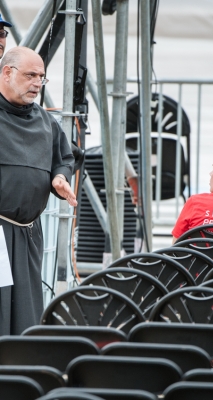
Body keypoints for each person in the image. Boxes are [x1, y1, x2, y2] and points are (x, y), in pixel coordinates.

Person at [0, 46, 77, 335]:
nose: (37, 83)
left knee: (25, 310)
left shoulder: (46, 121)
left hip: (29, 232)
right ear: (7, 73)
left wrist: (59, 178)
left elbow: (64, 159)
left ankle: (18, 371)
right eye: (31, 75)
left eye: (41, 77)